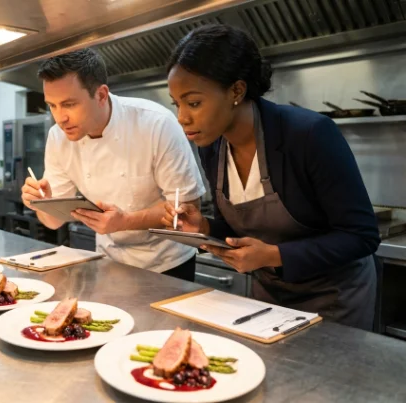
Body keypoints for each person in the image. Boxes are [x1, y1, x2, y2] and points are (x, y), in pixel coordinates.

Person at [162, 24, 380, 330]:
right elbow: (245, 226)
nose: (182, 117)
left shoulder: (308, 134)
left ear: (236, 91)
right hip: (269, 298)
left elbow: (362, 235)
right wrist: (204, 226)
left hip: (335, 301)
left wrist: (274, 255)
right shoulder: (212, 147)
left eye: (194, 103)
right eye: (177, 103)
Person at [21, 48, 206, 280]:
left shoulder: (155, 123)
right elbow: (54, 222)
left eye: (69, 104)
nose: (60, 118)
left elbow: (188, 208)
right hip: (109, 263)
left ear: (100, 95)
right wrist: (43, 204)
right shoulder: (58, 137)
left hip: (167, 264)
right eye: (52, 105)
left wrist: (125, 222)